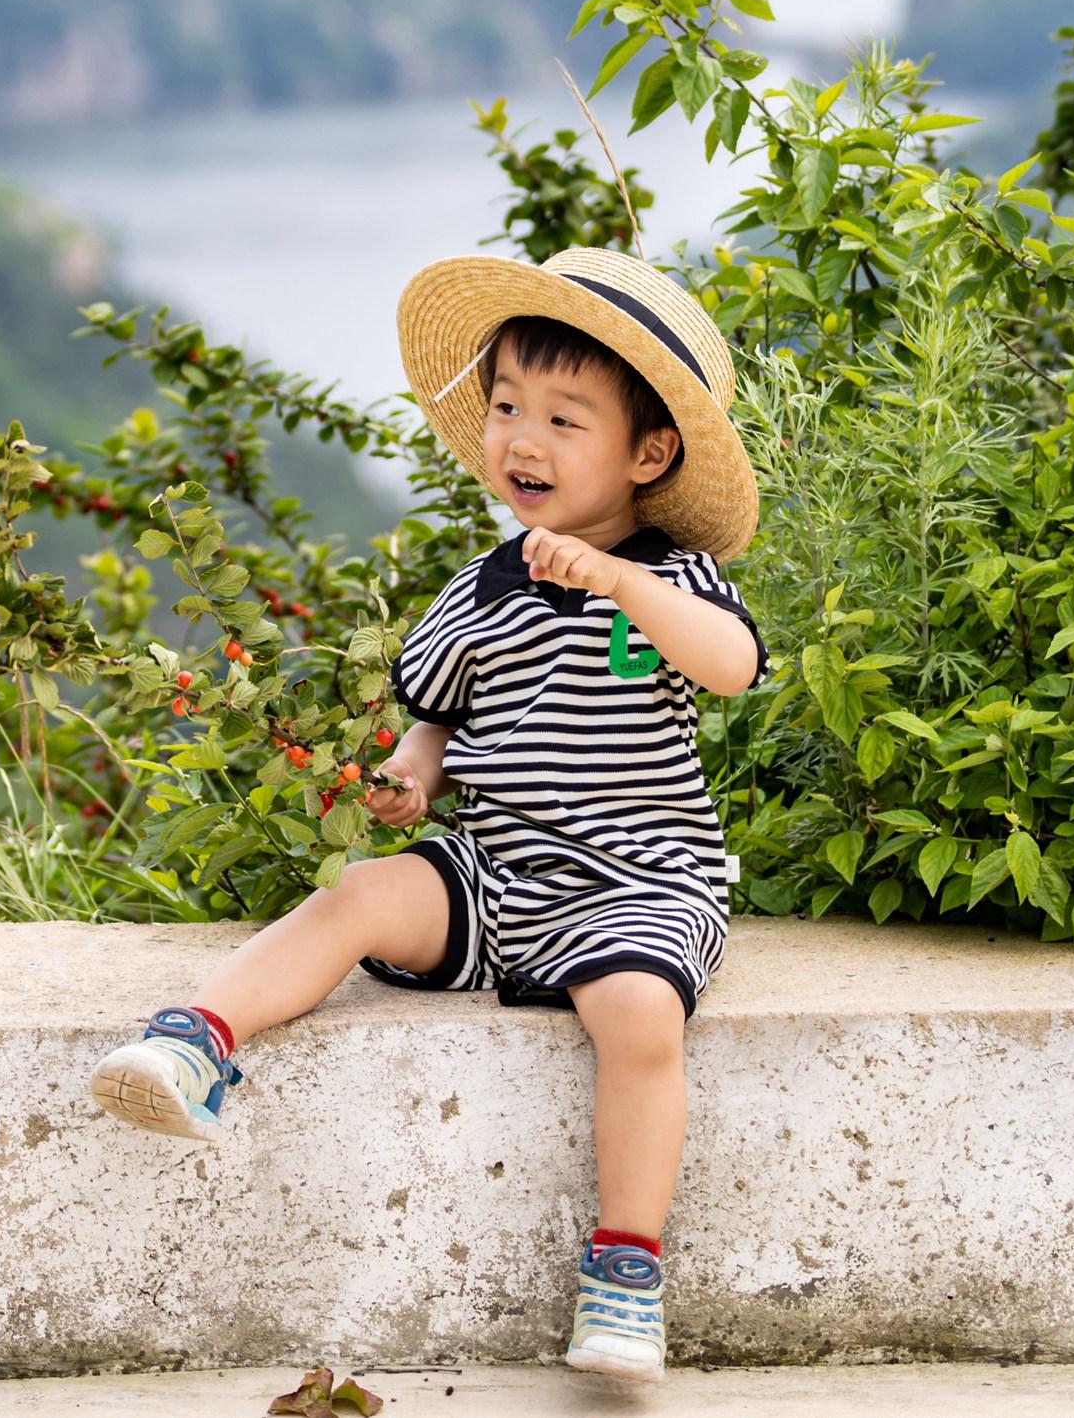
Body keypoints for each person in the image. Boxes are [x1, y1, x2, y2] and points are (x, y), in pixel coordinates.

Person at [83, 243, 764, 1385]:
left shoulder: (674, 575)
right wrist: (412, 771)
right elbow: (442, 721)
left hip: (642, 878)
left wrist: (620, 584)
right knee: (361, 892)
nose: (522, 440)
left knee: (641, 1013)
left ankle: (627, 1266)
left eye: (564, 416)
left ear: (649, 451)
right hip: (501, 871)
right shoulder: (480, 592)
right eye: (507, 408)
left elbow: (732, 665)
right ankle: (194, 1038)